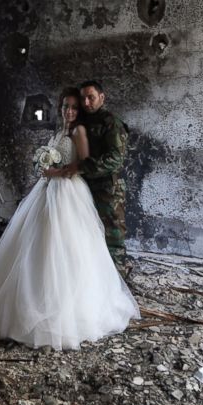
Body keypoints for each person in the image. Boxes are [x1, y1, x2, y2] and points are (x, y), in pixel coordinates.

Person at [0, 87, 138, 349]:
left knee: (65, 245)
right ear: (59, 108)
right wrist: (44, 168)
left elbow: (80, 165)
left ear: (79, 110)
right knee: (36, 241)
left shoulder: (78, 132)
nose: (69, 111)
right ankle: (29, 297)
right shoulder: (59, 131)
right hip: (47, 189)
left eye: (73, 107)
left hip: (68, 191)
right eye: (65, 106)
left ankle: (65, 310)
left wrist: (55, 172)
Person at [51, 80, 130, 276]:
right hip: (86, 186)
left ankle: (118, 279)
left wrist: (81, 166)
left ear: (101, 98)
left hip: (108, 189)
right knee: (90, 235)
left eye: (91, 98)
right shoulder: (84, 120)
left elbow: (116, 159)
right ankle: (97, 276)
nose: (86, 102)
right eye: (84, 98)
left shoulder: (111, 123)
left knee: (113, 236)